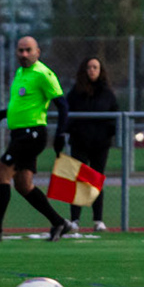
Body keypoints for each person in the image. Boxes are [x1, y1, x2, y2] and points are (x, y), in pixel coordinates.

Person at [0, 36, 75, 241]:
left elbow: (63, 105)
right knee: (23, 184)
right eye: (20, 51)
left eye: (28, 50)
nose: (24, 54)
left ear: (38, 52)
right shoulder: (20, 73)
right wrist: (0, 115)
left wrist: (61, 134)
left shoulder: (43, 74)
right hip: (20, 134)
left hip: (32, 134)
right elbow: (21, 106)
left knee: (1, 173)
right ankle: (59, 222)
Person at [60, 56, 118, 232]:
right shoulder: (75, 93)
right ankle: (75, 219)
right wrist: (72, 131)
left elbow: (114, 117)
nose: (92, 70)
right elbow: (67, 114)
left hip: (100, 144)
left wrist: (108, 134)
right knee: (79, 179)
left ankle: (98, 220)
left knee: (96, 179)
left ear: (100, 71)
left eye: (95, 67)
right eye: (89, 67)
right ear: (83, 71)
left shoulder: (107, 94)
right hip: (80, 142)